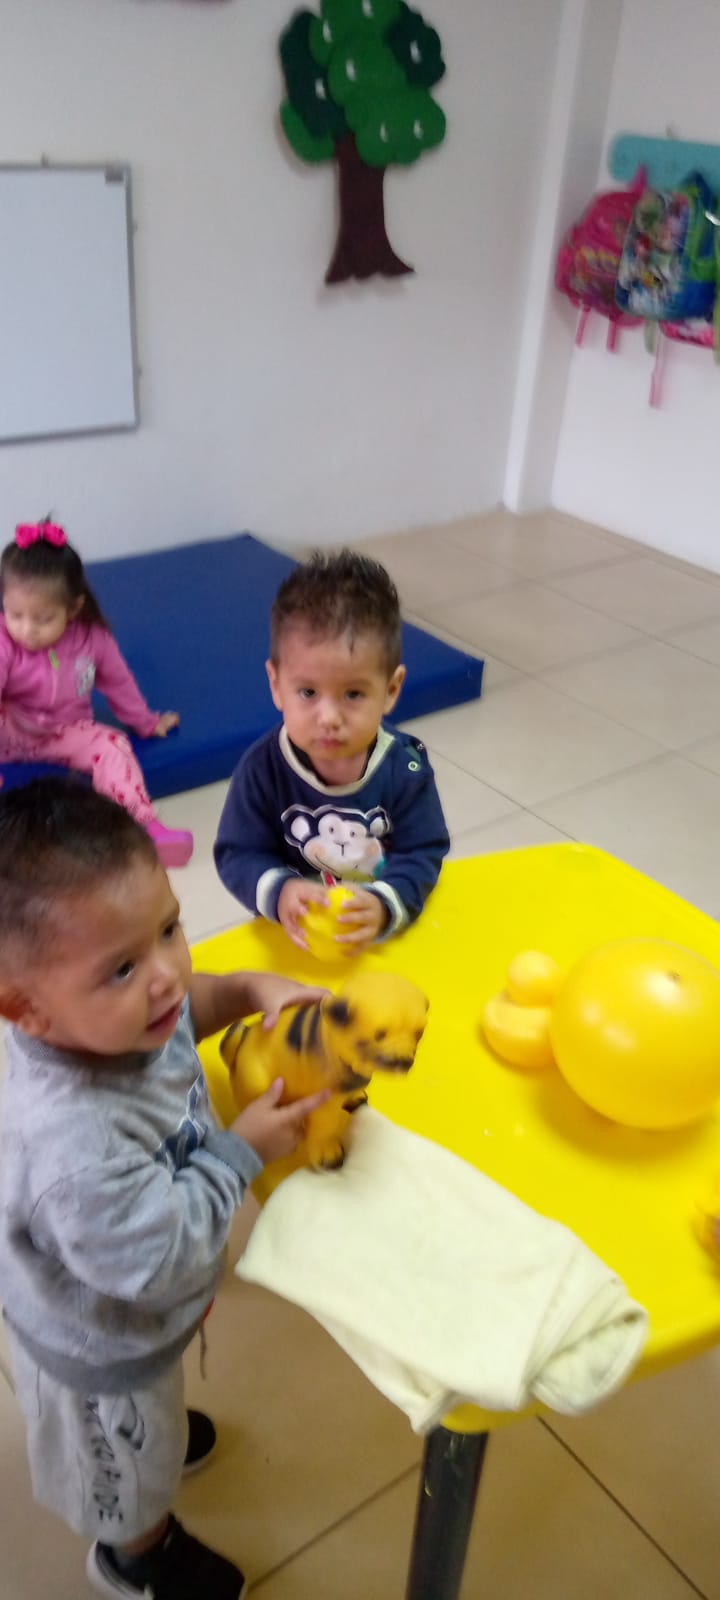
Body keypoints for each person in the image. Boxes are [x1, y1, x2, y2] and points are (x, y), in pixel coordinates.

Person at [0, 777, 328, 1600]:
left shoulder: (124, 1014)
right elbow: (158, 1260)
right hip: (97, 1351)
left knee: (151, 1430)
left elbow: (193, 1005)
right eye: (121, 967)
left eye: (170, 929)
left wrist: (248, 990)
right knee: (120, 1470)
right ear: (25, 1010)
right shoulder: (74, 1146)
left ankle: (154, 1444)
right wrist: (240, 1151)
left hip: (135, 1304)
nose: (167, 976)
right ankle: (134, 1553)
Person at [214, 548, 450, 953]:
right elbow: (238, 853)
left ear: (391, 689)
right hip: (296, 936)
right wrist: (281, 892)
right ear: (276, 684)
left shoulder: (404, 770)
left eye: (353, 694)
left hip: (380, 937)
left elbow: (422, 850)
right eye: (308, 692)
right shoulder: (261, 770)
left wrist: (385, 904)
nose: (328, 718)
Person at [0, 518, 193, 867]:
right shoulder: (4, 641)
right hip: (9, 729)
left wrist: (146, 722)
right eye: (15, 615)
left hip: (63, 732)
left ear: (73, 608)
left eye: (43, 619)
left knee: (113, 745)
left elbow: (119, 683)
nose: (27, 630)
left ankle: (143, 827)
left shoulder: (91, 640)